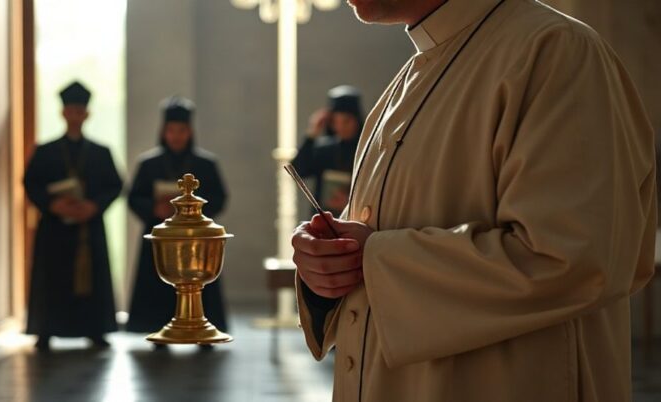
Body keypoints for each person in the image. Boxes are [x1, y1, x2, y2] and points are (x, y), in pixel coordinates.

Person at [290, 0, 656, 401]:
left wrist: (372, 260)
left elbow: (574, 258)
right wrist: (328, 267)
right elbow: (374, 240)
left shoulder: (556, 51)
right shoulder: (411, 77)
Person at [24, 81, 123, 351]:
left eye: (80, 110)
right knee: (52, 277)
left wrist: (94, 206)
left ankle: (95, 329)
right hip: (55, 228)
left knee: (91, 278)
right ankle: (46, 330)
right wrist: (54, 205)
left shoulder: (101, 153)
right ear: (63, 113)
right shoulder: (45, 152)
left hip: (87, 227)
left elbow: (115, 185)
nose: (75, 115)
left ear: (87, 114)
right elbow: (31, 183)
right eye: (71, 110)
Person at [126, 96, 229, 347]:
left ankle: (204, 331)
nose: (176, 136)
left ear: (190, 132)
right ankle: (157, 329)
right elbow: (134, 197)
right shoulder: (149, 164)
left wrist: (195, 212)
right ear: (164, 131)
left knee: (200, 282)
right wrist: (155, 208)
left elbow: (219, 197)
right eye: (171, 130)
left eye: (181, 130)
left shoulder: (205, 164)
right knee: (157, 283)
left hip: (197, 241)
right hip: (163, 238)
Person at [292, 86, 364, 217]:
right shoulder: (324, 149)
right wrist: (312, 135)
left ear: (356, 120)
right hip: (323, 220)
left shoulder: (367, 150)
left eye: (346, 121)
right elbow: (297, 171)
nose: (340, 127)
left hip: (354, 219)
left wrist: (351, 202)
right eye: (335, 121)